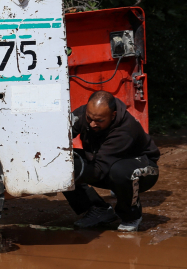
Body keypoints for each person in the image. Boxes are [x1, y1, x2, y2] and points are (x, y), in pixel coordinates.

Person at [66, 91, 160, 232]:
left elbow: (98, 171)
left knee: (120, 172)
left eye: (99, 121)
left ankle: (131, 216)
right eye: (89, 118)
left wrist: (73, 171)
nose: (92, 124)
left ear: (113, 115)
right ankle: (98, 209)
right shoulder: (83, 114)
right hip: (105, 162)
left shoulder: (125, 130)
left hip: (142, 168)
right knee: (62, 162)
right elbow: (59, 137)